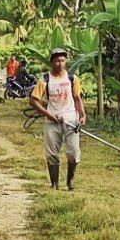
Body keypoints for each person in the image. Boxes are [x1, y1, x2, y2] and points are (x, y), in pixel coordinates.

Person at [30, 48, 86, 191]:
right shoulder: (45, 79)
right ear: (52, 62)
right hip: (52, 121)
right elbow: (33, 100)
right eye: (57, 61)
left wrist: (82, 115)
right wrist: (48, 114)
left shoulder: (72, 79)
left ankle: (70, 182)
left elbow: (77, 98)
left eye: (62, 61)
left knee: (73, 153)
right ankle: (54, 184)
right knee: (52, 154)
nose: (60, 64)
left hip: (71, 120)